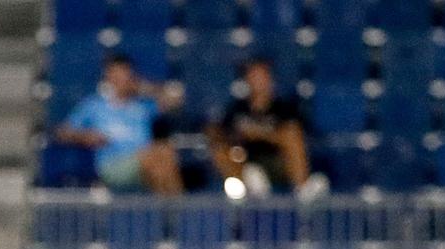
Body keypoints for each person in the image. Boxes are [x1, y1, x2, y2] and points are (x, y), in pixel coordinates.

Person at [57, 54, 184, 195]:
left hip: (145, 162)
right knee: (159, 155)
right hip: (112, 165)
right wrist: (85, 136)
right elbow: (62, 132)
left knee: (163, 157)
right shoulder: (94, 105)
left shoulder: (143, 105)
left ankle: (170, 208)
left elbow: (175, 100)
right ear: (108, 77)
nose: (121, 80)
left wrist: (144, 87)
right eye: (116, 75)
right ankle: (175, 212)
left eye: (125, 75)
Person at [206, 57, 312, 196]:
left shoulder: (285, 109)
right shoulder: (237, 109)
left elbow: (294, 134)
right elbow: (223, 133)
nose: (258, 81)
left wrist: (260, 134)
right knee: (220, 150)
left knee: (292, 136)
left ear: (270, 79)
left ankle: (302, 192)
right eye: (253, 76)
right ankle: (241, 194)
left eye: (262, 76)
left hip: (277, 161)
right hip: (245, 162)